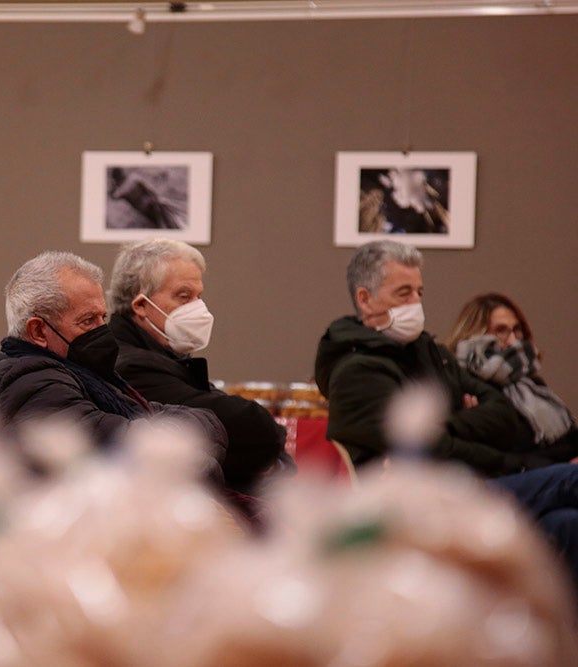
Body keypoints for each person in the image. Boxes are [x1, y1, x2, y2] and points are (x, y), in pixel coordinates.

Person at [315, 240, 578, 594]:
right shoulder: (356, 371)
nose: (416, 304)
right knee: (571, 479)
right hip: (418, 506)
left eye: (419, 293)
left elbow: (504, 415)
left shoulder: (432, 353)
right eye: (403, 293)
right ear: (365, 299)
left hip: (470, 486)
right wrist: (497, 453)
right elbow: (425, 451)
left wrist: (443, 425)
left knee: (565, 523)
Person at [0, 251, 227, 480]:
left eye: (102, 317)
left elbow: (201, 421)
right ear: (39, 331)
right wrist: (179, 442)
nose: (102, 330)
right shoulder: (30, 382)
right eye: (87, 321)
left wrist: (174, 438)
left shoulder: (82, 371)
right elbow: (127, 446)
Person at [106, 238, 291, 493]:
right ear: (140, 306)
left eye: (198, 296)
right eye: (184, 296)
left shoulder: (166, 357)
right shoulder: (130, 366)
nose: (198, 308)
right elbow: (251, 428)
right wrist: (272, 447)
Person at [447, 292, 577, 461]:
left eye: (517, 330)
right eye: (501, 331)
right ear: (475, 334)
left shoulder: (528, 383)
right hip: (513, 476)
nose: (513, 341)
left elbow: (568, 435)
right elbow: (506, 453)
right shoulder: (466, 387)